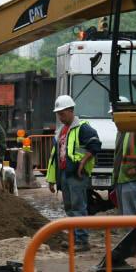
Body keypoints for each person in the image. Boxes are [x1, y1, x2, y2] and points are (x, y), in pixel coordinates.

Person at [45, 95, 101, 251]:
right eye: (59, 114)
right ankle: (74, 239)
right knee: (70, 208)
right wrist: (51, 179)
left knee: (78, 207)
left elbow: (95, 145)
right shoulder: (61, 132)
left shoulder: (82, 128)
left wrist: (83, 162)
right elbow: (54, 158)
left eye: (62, 113)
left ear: (71, 111)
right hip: (65, 175)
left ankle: (82, 241)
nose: (60, 117)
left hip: (76, 175)